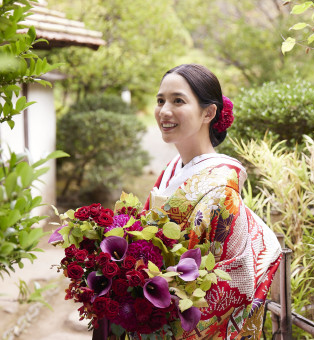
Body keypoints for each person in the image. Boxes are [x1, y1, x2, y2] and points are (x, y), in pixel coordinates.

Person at [94, 64, 282, 339]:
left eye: (177, 100)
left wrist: (152, 304)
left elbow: (224, 281)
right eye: (160, 101)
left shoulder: (221, 189)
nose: (164, 111)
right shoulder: (171, 170)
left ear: (208, 112)